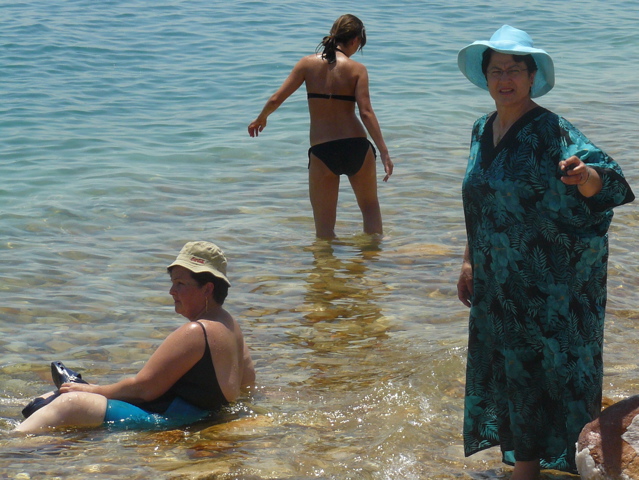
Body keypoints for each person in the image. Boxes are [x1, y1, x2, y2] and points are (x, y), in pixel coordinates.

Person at [456, 25, 634, 478]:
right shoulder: (481, 129)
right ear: (486, 77)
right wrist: (469, 259)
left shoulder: (551, 128)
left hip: (550, 285)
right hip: (498, 281)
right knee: (511, 368)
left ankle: (568, 463)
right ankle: (526, 467)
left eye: (515, 69)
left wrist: (583, 177)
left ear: (532, 76)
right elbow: (481, 201)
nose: (505, 78)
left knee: (553, 369)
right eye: (496, 69)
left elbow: (609, 180)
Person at [16, 241, 255, 433]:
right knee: (47, 398)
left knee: (70, 402)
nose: (172, 291)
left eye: (181, 283)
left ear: (208, 288)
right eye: (173, 283)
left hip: (167, 419)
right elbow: (247, 385)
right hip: (191, 415)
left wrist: (93, 390)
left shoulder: (197, 332)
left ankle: (10, 446)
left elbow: (144, 389)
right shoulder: (231, 327)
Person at [248, 14, 393, 239]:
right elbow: (365, 112)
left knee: (324, 230)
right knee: (370, 207)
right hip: (356, 146)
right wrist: (383, 151)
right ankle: (372, 264)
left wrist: (262, 118)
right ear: (354, 40)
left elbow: (277, 98)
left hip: (323, 149)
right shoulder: (358, 69)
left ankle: (325, 272)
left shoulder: (307, 64)